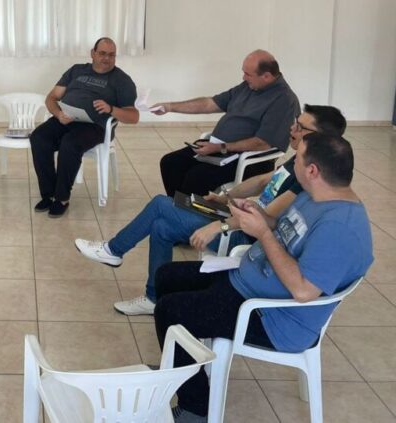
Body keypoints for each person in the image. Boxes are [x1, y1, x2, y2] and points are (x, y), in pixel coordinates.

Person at [154, 132, 372, 422]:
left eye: (299, 157)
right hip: (249, 281)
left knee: (171, 310)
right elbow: (283, 227)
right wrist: (256, 215)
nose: (292, 162)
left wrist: (263, 233)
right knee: (167, 277)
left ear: (312, 170)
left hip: (271, 316)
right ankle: (184, 362)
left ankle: (196, 407)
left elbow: (304, 290)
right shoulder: (317, 194)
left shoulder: (340, 228)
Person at [75, 105, 347, 315]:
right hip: (236, 216)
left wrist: (222, 221)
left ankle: (113, 250)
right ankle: (153, 297)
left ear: (320, 138)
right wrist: (224, 196)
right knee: (161, 225)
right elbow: (264, 180)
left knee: (161, 204)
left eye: (300, 126)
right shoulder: (297, 160)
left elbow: (265, 220)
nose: (292, 128)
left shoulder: (308, 179)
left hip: (244, 236)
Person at [154, 50, 300, 197]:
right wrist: (170, 107)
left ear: (267, 76)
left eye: (248, 74)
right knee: (170, 163)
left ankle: (188, 215)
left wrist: (221, 147)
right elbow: (209, 104)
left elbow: (262, 143)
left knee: (196, 177)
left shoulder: (284, 100)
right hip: (220, 148)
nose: (244, 77)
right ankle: (176, 209)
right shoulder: (248, 87)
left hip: (248, 158)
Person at [30, 37, 139, 217]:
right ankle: (48, 194)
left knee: (69, 143)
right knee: (39, 138)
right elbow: (51, 98)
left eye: (111, 55)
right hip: (67, 118)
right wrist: (58, 114)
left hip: (95, 126)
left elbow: (133, 116)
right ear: (92, 53)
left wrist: (111, 109)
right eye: (102, 53)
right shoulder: (76, 70)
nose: (107, 58)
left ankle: (61, 198)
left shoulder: (122, 80)